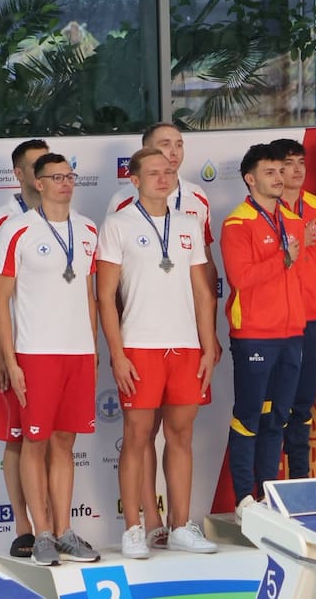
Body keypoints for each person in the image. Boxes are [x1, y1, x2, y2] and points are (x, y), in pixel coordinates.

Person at [98, 148, 219, 559]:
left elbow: (203, 291)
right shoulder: (117, 224)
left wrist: (206, 345)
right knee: (136, 436)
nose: (163, 178)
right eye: (153, 173)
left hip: (184, 345)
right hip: (140, 345)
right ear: (134, 180)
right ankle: (134, 527)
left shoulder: (189, 222)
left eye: (167, 172)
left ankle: (181, 524)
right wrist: (117, 353)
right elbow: (104, 294)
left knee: (181, 436)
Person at [0, 152, 102, 566]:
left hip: (77, 351)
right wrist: (11, 359)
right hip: (35, 352)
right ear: (38, 183)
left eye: (69, 176)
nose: (65, 183)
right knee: (34, 442)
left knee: (64, 442)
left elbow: (89, 296)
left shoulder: (88, 229)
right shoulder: (16, 230)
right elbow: (0, 300)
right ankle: (40, 534)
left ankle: (64, 530)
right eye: (56, 177)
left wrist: (92, 348)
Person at [0, 138, 49, 558]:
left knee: (53, 441)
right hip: (18, 351)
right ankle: (24, 528)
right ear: (19, 175)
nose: (45, 174)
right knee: (18, 439)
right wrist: (1, 353)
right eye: (36, 167)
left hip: (54, 351)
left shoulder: (65, 221)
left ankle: (54, 526)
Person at [221, 143, 306, 520]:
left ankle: (267, 493)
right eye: (270, 172)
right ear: (250, 179)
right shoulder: (238, 223)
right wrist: (282, 257)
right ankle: (243, 498)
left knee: (279, 416)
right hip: (255, 332)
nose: (279, 177)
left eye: (280, 171)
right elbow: (242, 278)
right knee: (249, 415)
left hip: (291, 332)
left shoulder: (292, 220)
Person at [274, 138, 316, 479]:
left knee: (302, 406)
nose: (296, 170)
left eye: (300, 163)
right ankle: (265, 488)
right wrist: (298, 243)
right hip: (274, 322)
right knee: (272, 409)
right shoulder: (266, 210)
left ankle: (298, 484)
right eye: (287, 164)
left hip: (309, 317)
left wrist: (301, 248)